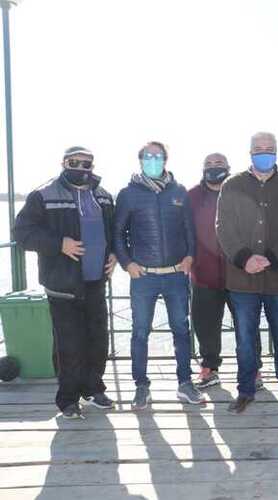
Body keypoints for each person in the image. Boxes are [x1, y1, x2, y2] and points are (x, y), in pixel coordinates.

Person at [14, 146, 118, 419]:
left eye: (87, 164)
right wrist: (59, 244)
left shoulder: (104, 196)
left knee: (98, 340)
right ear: (64, 163)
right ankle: (68, 398)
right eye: (76, 162)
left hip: (96, 281)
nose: (82, 168)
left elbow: (114, 232)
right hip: (63, 285)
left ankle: (93, 388)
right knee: (68, 345)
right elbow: (22, 233)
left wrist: (115, 255)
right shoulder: (43, 195)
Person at [216, 132, 278, 414]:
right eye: (258, 149)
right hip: (242, 279)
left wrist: (270, 258)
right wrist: (245, 258)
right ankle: (245, 391)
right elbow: (223, 227)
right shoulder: (232, 185)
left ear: (277, 152)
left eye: (269, 149)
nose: (264, 153)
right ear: (250, 153)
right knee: (245, 338)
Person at [114, 141, 203, 409]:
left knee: (181, 330)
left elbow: (190, 230)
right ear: (140, 159)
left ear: (166, 159)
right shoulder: (128, 194)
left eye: (158, 156)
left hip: (176, 275)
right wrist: (126, 263)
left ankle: (185, 384)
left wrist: (190, 256)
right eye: (148, 156)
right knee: (140, 332)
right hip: (143, 277)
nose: (153, 160)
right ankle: (141, 387)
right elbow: (118, 234)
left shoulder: (179, 192)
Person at [188, 153, 235, 389]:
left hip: (240, 274)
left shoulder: (240, 191)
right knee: (204, 324)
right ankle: (209, 368)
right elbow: (183, 230)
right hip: (203, 274)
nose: (213, 167)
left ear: (228, 167)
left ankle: (253, 368)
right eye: (208, 164)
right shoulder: (192, 196)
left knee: (246, 323)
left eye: (218, 164)